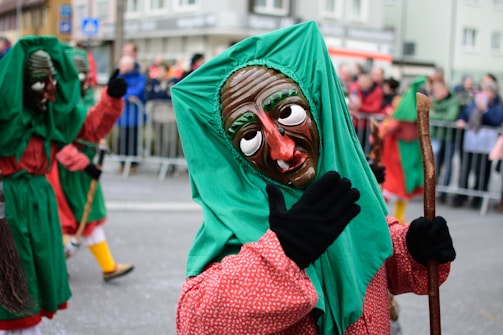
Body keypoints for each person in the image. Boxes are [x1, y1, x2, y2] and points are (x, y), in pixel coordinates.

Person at [171, 21, 455, 334]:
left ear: (317, 111)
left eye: (288, 114)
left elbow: (372, 249)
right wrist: (284, 253)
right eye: (250, 136)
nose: (283, 150)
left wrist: (412, 247)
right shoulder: (237, 224)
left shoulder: (336, 191)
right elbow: (196, 322)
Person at [0, 36, 126, 334]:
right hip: (8, 204)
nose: (46, 91)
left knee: (36, 275)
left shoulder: (51, 115)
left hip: (38, 201)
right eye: (38, 82)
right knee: (16, 282)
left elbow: (88, 127)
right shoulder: (6, 114)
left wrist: (111, 99)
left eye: (50, 81)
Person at [46, 46, 134, 282]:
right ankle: (52, 266)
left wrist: (112, 99)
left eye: (87, 76)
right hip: (57, 172)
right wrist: (81, 163)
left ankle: (106, 266)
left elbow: (92, 126)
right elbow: (51, 140)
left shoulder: (73, 101)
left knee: (87, 217)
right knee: (59, 220)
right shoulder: (49, 102)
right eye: (79, 77)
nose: (84, 82)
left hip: (76, 170)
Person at [378, 77, 426, 223]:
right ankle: (394, 216)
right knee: (400, 185)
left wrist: (381, 131)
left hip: (398, 150)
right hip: (406, 150)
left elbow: (390, 127)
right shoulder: (413, 108)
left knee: (394, 183)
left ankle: (389, 215)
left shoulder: (405, 107)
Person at [452, 79, 503, 208]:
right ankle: (461, 196)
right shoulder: (474, 102)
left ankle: (478, 199)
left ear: (493, 93)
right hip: (471, 142)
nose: (485, 93)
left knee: (482, 172)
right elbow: (465, 114)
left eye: (488, 91)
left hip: (486, 145)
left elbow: (496, 120)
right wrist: (462, 120)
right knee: (465, 169)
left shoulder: (497, 107)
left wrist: (484, 110)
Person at [429, 80, 461, 204]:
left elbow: (451, 117)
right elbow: (429, 114)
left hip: (448, 138)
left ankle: (444, 192)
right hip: (437, 136)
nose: (434, 93)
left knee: (448, 164)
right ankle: (432, 191)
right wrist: (441, 114)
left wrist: (436, 114)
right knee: (434, 164)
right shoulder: (434, 101)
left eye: (437, 90)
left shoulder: (453, 101)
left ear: (444, 91)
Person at [115, 55, 146, 174]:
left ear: (130, 66)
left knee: (133, 139)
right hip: (122, 114)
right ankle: (122, 162)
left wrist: (125, 95)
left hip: (135, 115)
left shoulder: (139, 76)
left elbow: (138, 90)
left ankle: (133, 163)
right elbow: (116, 89)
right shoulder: (118, 76)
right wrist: (127, 96)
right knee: (122, 138)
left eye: (123, 65)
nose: (120, 67)